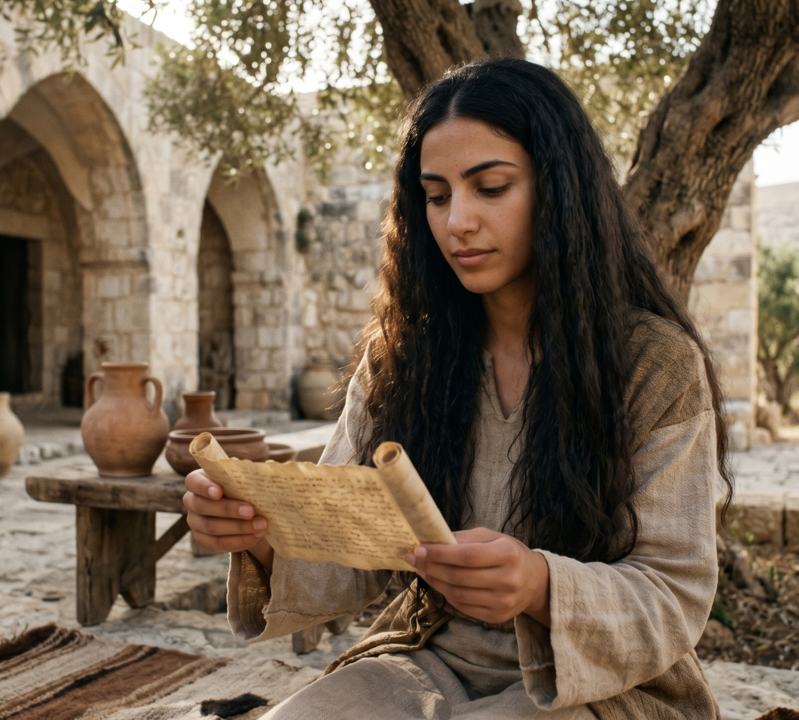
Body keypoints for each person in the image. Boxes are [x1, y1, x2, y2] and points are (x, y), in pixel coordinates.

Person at [183, 57, 733, 719]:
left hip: (609, 689)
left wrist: (540, 585)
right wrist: (256, 534)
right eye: (437, 196)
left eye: (491, 187)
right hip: (428, 658)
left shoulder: (654, 366)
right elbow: (347, 549)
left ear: (559, 190)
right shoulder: (403, 358)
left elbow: (676, 595)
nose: (457, 222)